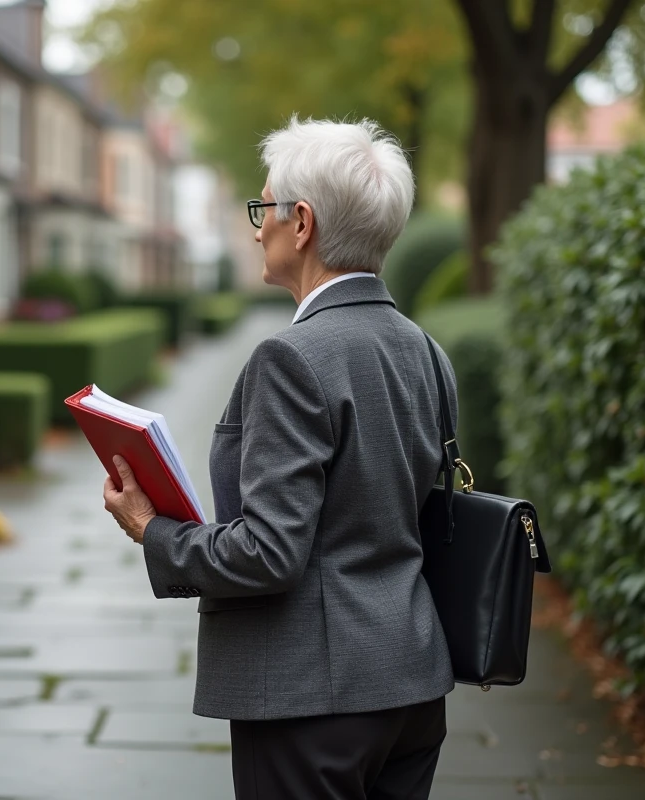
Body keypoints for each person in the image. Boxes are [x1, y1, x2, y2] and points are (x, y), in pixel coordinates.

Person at [102, 115, 458, 800]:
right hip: (413, 683)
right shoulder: (426, 351)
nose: (254, 224)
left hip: (310, 698)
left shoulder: (290, 359)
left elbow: (269, 552)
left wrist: (154, 530)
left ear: (302, 223)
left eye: (263, 207)